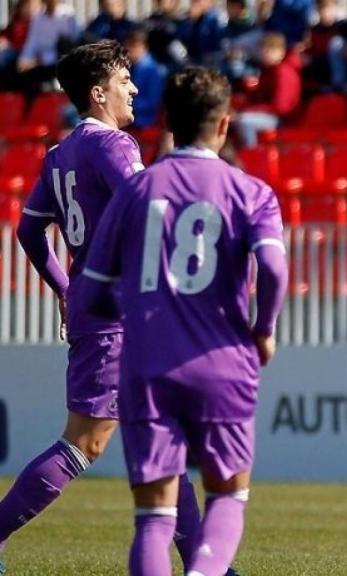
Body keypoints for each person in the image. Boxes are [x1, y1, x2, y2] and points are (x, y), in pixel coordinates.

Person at [2, 40, 205, 573]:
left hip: (106, 310)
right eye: (124, 80)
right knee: (86, 442)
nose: (133, 88)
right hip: (120, 315)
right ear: (98, 93)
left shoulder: (61, 152)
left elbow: (29, 230)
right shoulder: (113, 146)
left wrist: (64, 288)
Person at [79, 65, 288, 576]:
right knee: (227, 495)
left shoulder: (136, 190)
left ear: (167, 120)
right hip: (224, 362)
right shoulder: (251, 191)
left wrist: (124, 312)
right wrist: (263, 330)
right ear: (224, 126)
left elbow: (92, 289)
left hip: (149, 364)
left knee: (153, 517)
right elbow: (276, 270)